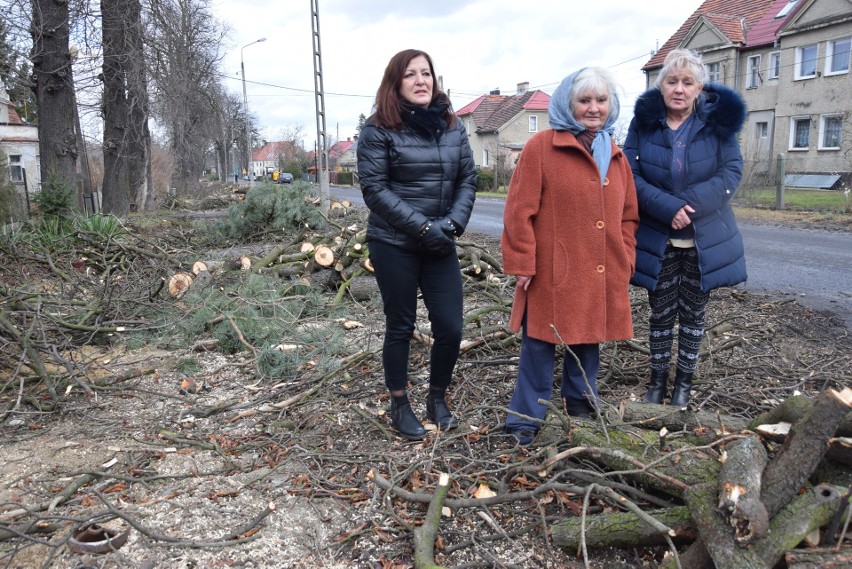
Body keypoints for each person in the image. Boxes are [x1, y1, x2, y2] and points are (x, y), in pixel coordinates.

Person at [501, 67, 639, 446]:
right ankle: (524, 421)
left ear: (610, 106)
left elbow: (628, 215)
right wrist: (522, 262)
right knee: (539, 343)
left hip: (600, 267)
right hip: (552, 269)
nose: (593, 108)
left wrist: (624, 256)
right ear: (569, 103)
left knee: (588, 340)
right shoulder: (541, 147)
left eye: (601, 100)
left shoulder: (615, 154)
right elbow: (518, 211)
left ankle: (580, 409)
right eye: (585, 101)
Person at [356, 49, 477, 440]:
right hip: (394, 243)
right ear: (396, 83)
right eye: (411, 74)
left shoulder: (452, 126)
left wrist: (453, 224)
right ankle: (399, 402)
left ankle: (437, 397)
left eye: (427, 73)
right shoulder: (377, 129)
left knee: (451, 327)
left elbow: (467, 180)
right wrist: (424, 228)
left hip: (440, 242)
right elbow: (375, 190)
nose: (422, 81)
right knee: (401, 325)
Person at [624, 48, 747, 407]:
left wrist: (688, 208)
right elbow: (628, 175)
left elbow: (731, 172)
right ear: (661, 87)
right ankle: (658, 382)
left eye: (687, 82)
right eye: (672, 81)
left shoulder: (717, 124)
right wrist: (668, 208)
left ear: (699, 88)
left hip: (704, 237)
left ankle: (684, 386)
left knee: (693, 313)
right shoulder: (644, 123)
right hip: (657, 237)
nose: (679, 89)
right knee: (660, 313)